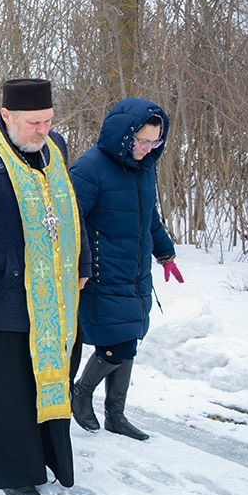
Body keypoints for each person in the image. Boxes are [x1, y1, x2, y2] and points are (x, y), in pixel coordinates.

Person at [0, 79, 90, 495]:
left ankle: (51, 459)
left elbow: (70, 212)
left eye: (47, 121)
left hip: (58, 295)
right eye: (33, 123)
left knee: (51, 381)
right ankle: (16, 473)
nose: (41, 130)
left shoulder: (54, 146)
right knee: (10, 392)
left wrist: (80, 265)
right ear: (7, 116)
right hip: (4, 296)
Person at [69, 98, 181, 441]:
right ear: (123, 135)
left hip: (134, 270)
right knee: (118, 344)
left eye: (155, 142)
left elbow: (149, 217)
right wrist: (84, 265)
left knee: (130, 335)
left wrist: (165, 254)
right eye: (142, 141)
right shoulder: (90, 168)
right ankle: (80, 393)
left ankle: (116, 415)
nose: (148, 149)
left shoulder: (143, 168)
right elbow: (72, 222)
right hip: (102, 272)